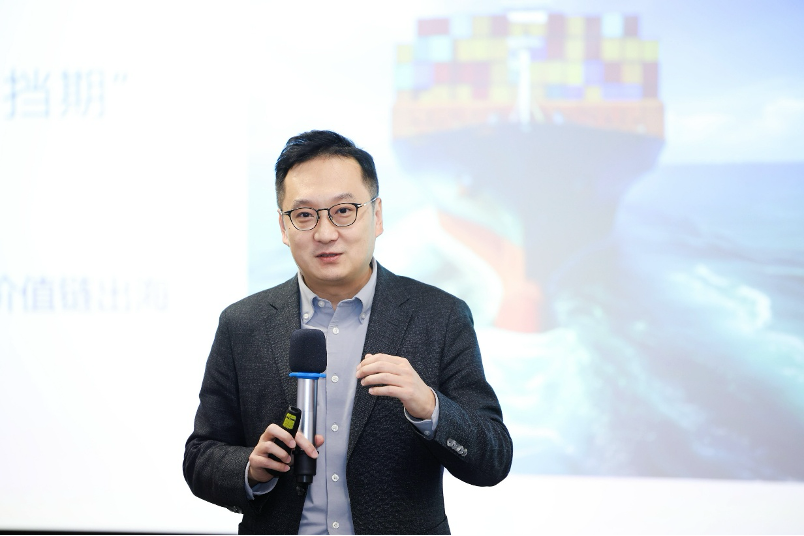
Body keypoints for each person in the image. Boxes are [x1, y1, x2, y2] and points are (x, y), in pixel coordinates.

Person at [183, 130, 513, 535]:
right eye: (305, 215)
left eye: (343, 211)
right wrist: (250, 468)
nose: (325, 233)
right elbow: (200, 457)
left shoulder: (439, 316)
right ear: (284, 227)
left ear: (377, 216)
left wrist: (430, 407)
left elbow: (493, 459)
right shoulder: (243, 324)